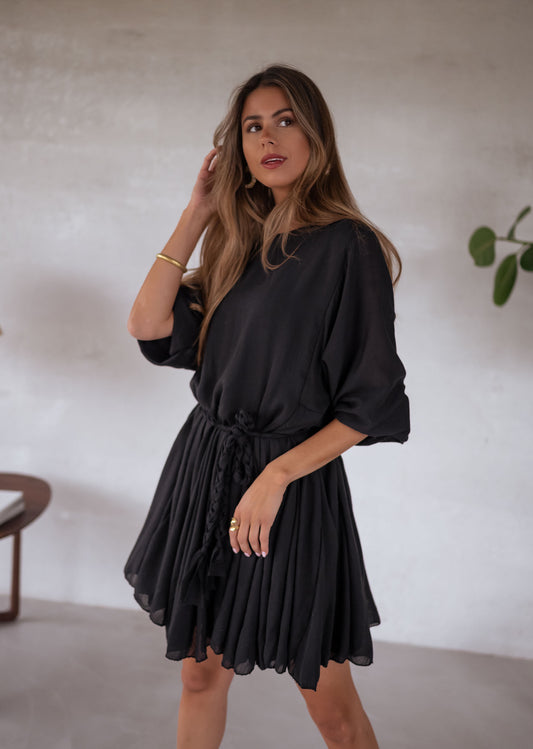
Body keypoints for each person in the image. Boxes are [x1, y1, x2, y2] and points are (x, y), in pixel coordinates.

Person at [124, 64, 410, 749]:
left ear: (316, 135)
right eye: (252, 126)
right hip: (204, 469)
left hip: (290, 486)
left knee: (329, 705)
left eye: (285, 120)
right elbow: (147, 325)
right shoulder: (236, 239)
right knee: (200, 676)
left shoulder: (349, 247)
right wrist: (197, 213)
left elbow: (370, 402)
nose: (268, 138)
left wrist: (276, 476)